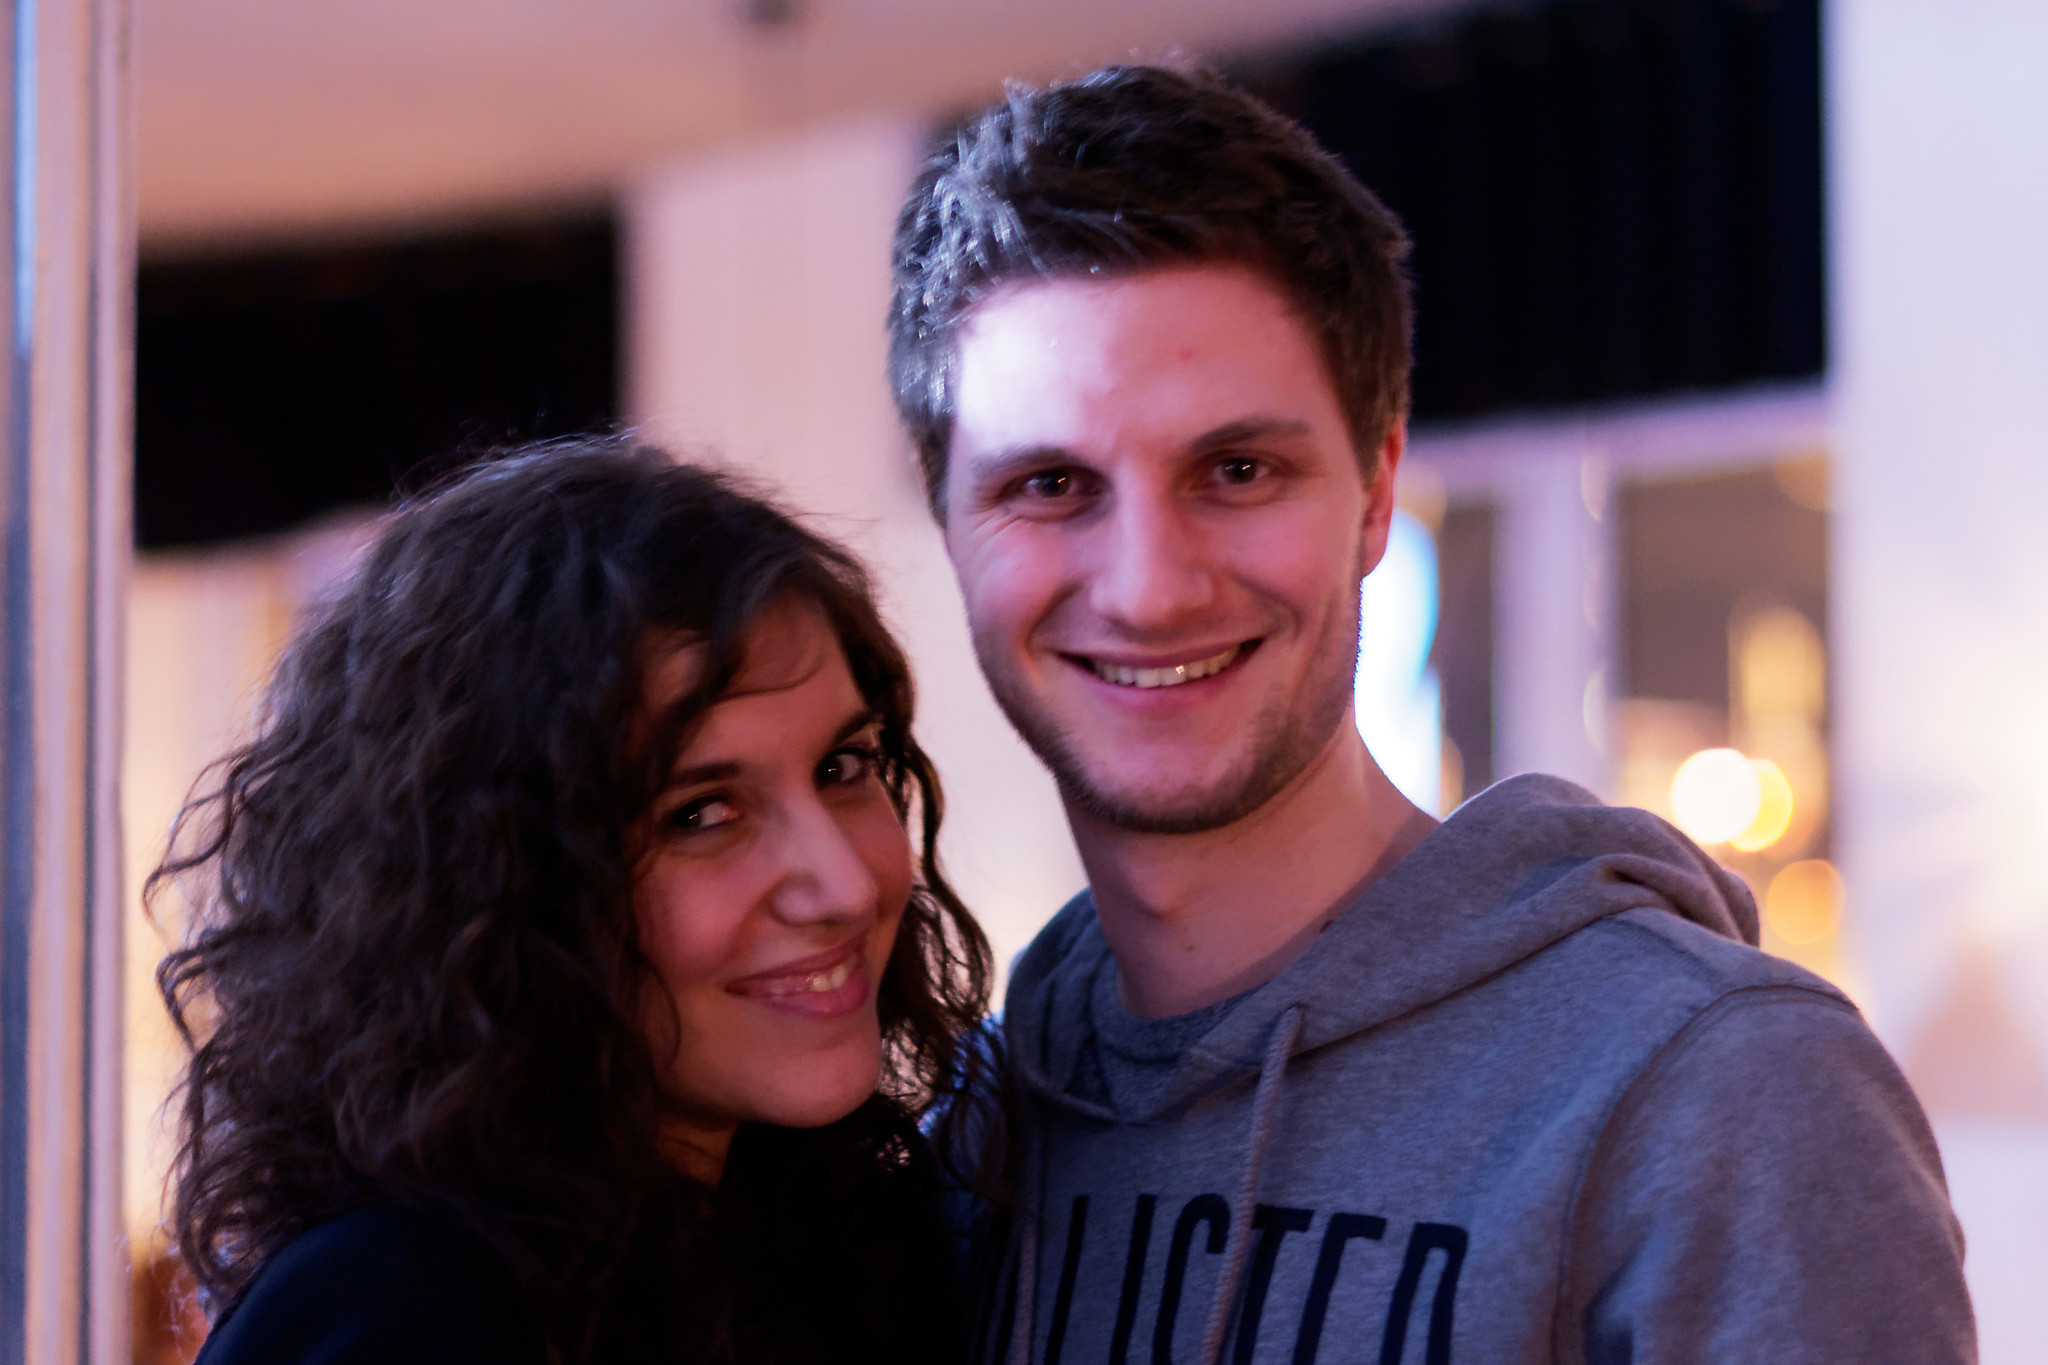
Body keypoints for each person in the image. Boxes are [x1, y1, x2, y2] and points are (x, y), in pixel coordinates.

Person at [888, 65, 1974, 1363]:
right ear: (947, 521)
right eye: (1050, 484)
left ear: (1373, 490)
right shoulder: (980, 1142)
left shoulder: (1721, 1094)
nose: (1148, 587)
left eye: (1237, 469)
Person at [151, 438, 993, 1365]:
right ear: (498, 885)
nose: (846, 885)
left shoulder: (830, 1254)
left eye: (843, 766)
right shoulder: (400, 1310)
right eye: (702, 813)